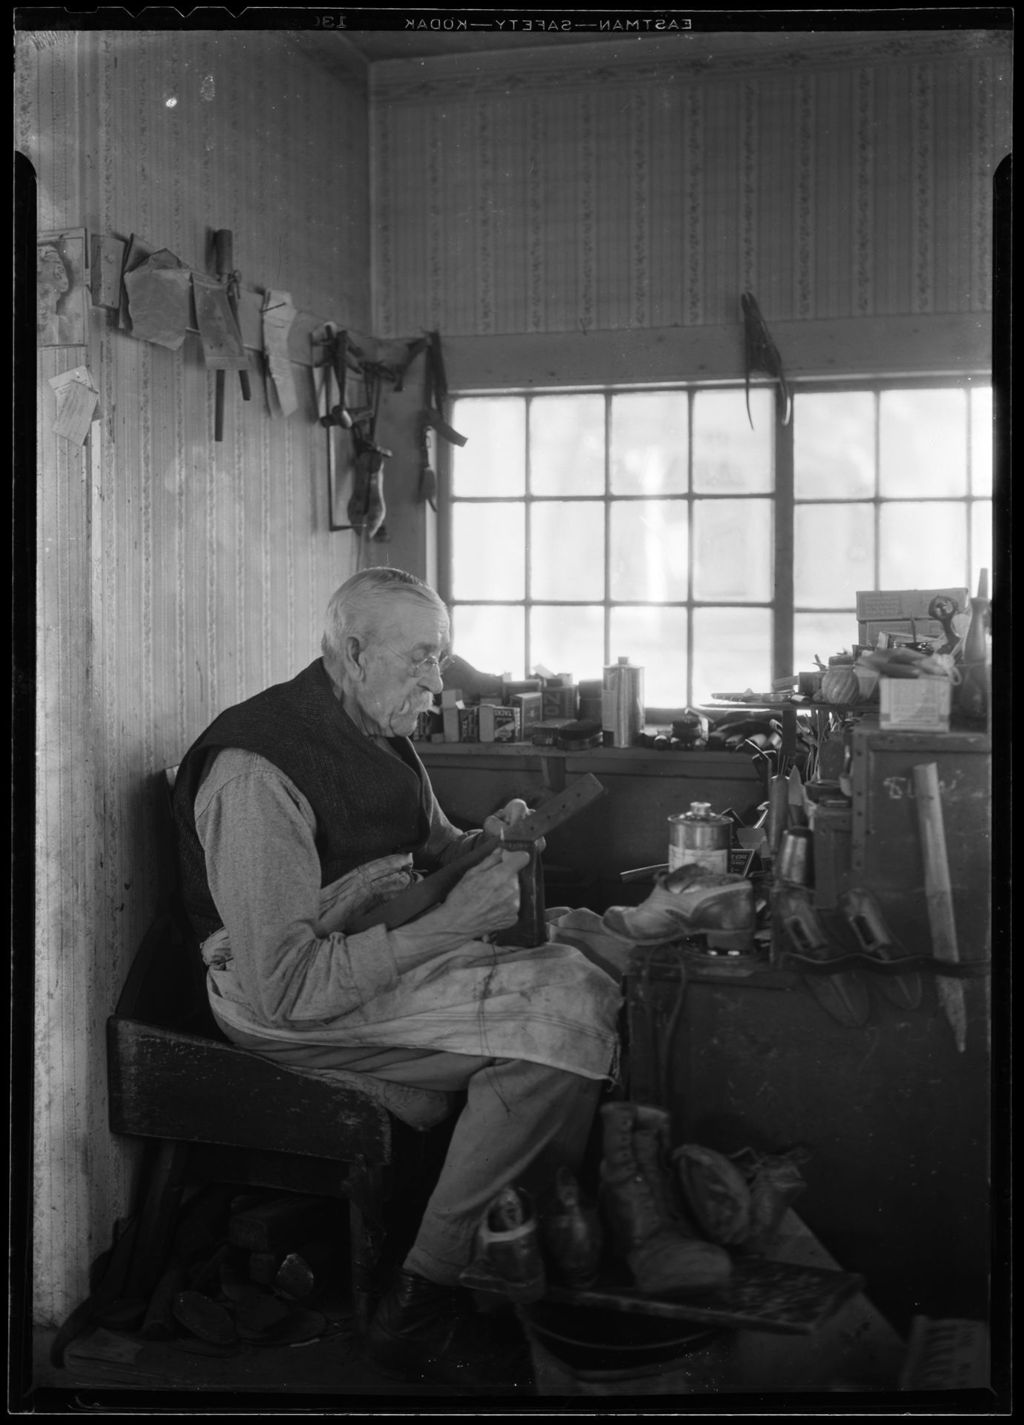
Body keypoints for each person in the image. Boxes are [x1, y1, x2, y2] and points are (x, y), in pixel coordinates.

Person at [171, 567, 630, 1391]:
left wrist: (487, 842)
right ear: (353, 653)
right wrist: (449, 925)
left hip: (370, 948)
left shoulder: (378, 731)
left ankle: (515, 1254)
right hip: (282, 1001)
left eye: (440, 658)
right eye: (420, 659)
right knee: (561, 1020)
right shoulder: (256, 775)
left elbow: (430, 850)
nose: (437, 681)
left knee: (586, 960)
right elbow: (285, 987)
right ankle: (423, 1301)